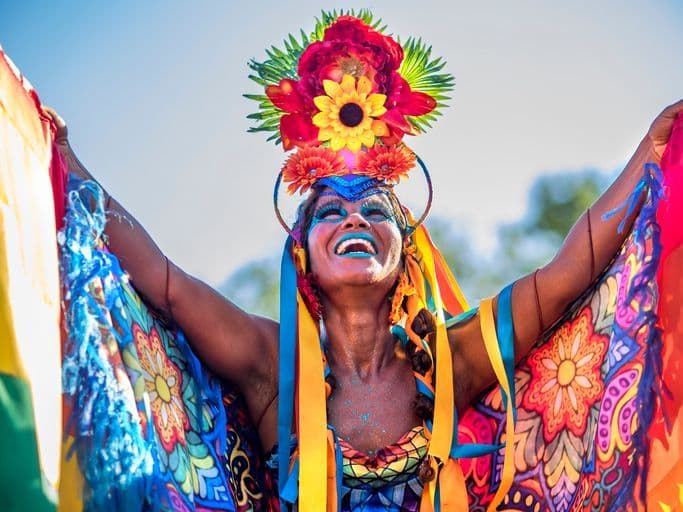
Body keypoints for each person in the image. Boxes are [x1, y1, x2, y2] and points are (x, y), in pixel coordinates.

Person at [48, 12, 682, 512]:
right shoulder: (272, 368)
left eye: (375, 209)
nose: (354, 218)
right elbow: (166, 285)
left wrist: (651, 152)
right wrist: (64, 164)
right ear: (303, 253)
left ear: (406, 248)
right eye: (330, 211)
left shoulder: (454, 360)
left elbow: (570, 271)